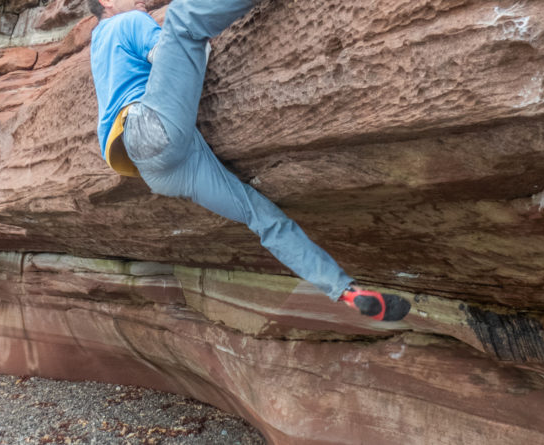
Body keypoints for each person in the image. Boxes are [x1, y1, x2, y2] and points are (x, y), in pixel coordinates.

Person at [88, 0, 410, 321]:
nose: (142, 1)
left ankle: (346, 291)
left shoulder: (98, 43)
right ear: (107, 2)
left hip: (159, 170)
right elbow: (169, 52)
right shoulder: (129, 21)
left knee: (262, 217)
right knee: (181, 17)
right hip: (151, 130)